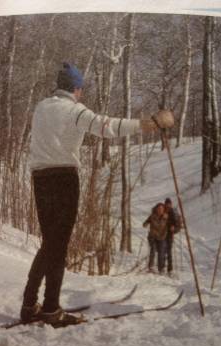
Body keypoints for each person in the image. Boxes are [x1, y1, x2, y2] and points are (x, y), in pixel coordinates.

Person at [20, 62, 174, 326]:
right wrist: (147, 125)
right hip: (64, 179)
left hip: (39, 178)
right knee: (58, 246)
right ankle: (50, 309)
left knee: (49, 243)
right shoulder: (74, 110)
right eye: (81, 89)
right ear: (76, 89)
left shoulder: (41, 107)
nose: (81, 94)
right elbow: (107, 126)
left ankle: (29, 305)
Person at [143, 203, 169, 273]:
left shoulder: (166, 217)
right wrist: (145, 224)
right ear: (156, 209)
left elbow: (172, 224)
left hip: (162, 237)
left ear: (164, 210)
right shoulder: (152, 216)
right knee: (153, 250)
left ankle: (161, 268)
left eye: (161, 209)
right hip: (153, 237)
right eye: (159, 209)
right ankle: (151, 267)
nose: (160, 210)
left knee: (161, 252)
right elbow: (145, 222)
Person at [164, 198, 182, 275]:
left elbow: (178, 224)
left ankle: (169, 269)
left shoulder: (174, 212)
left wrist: (174, 228)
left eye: (169, 204)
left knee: (168, 251)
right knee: (162, 250)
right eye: (167, 204)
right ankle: (162, 266)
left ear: (171, 204)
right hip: (162, 233)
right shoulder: (162, 210)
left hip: (169, 234)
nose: (168, 205)